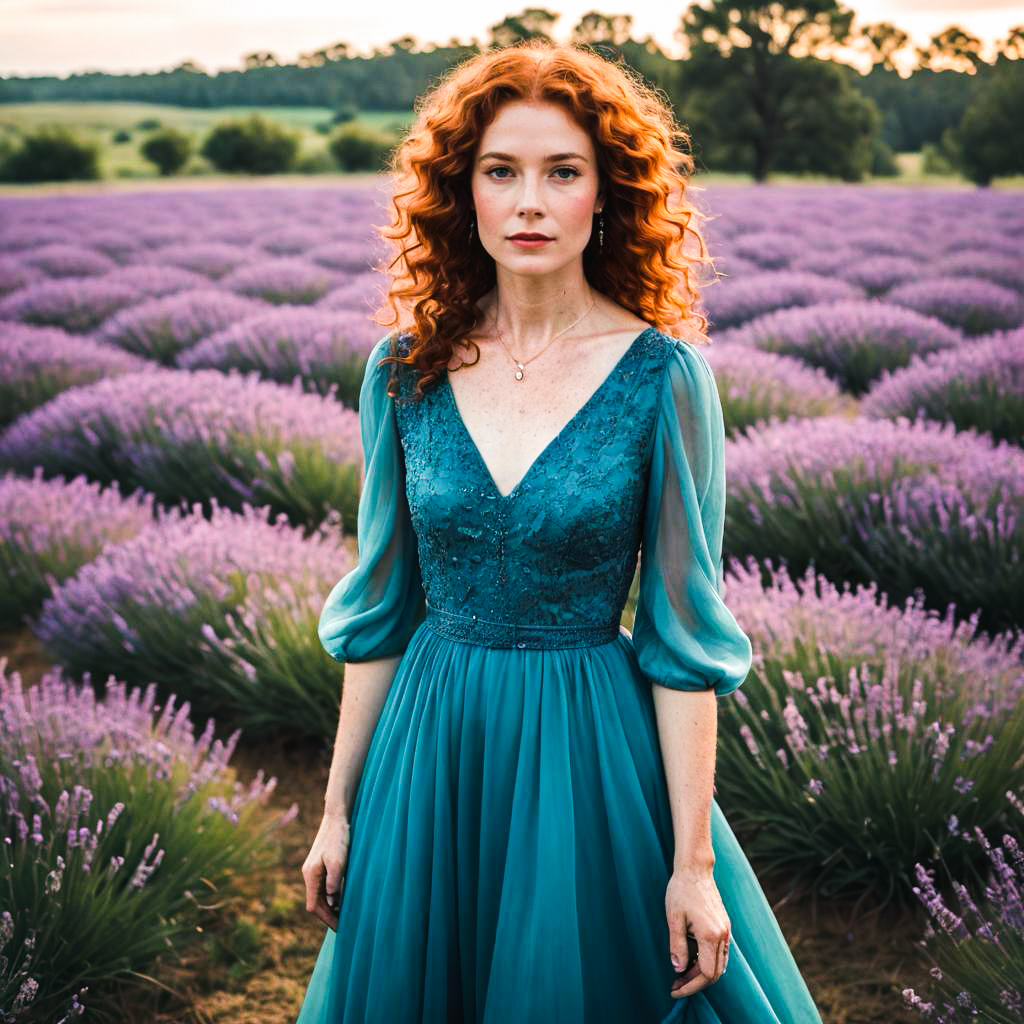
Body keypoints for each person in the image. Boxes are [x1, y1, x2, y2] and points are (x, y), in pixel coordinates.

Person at [296, 40, 823, 1024]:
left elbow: (681, 639)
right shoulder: (401, 370)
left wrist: (691, 862)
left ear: (604, 194)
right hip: (429, 745)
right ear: (465, 194)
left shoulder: (662, 377)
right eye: (502, 171)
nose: (529, 202)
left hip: (587, 754)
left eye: (561, 172)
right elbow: (377, 614)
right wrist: (337, 810)